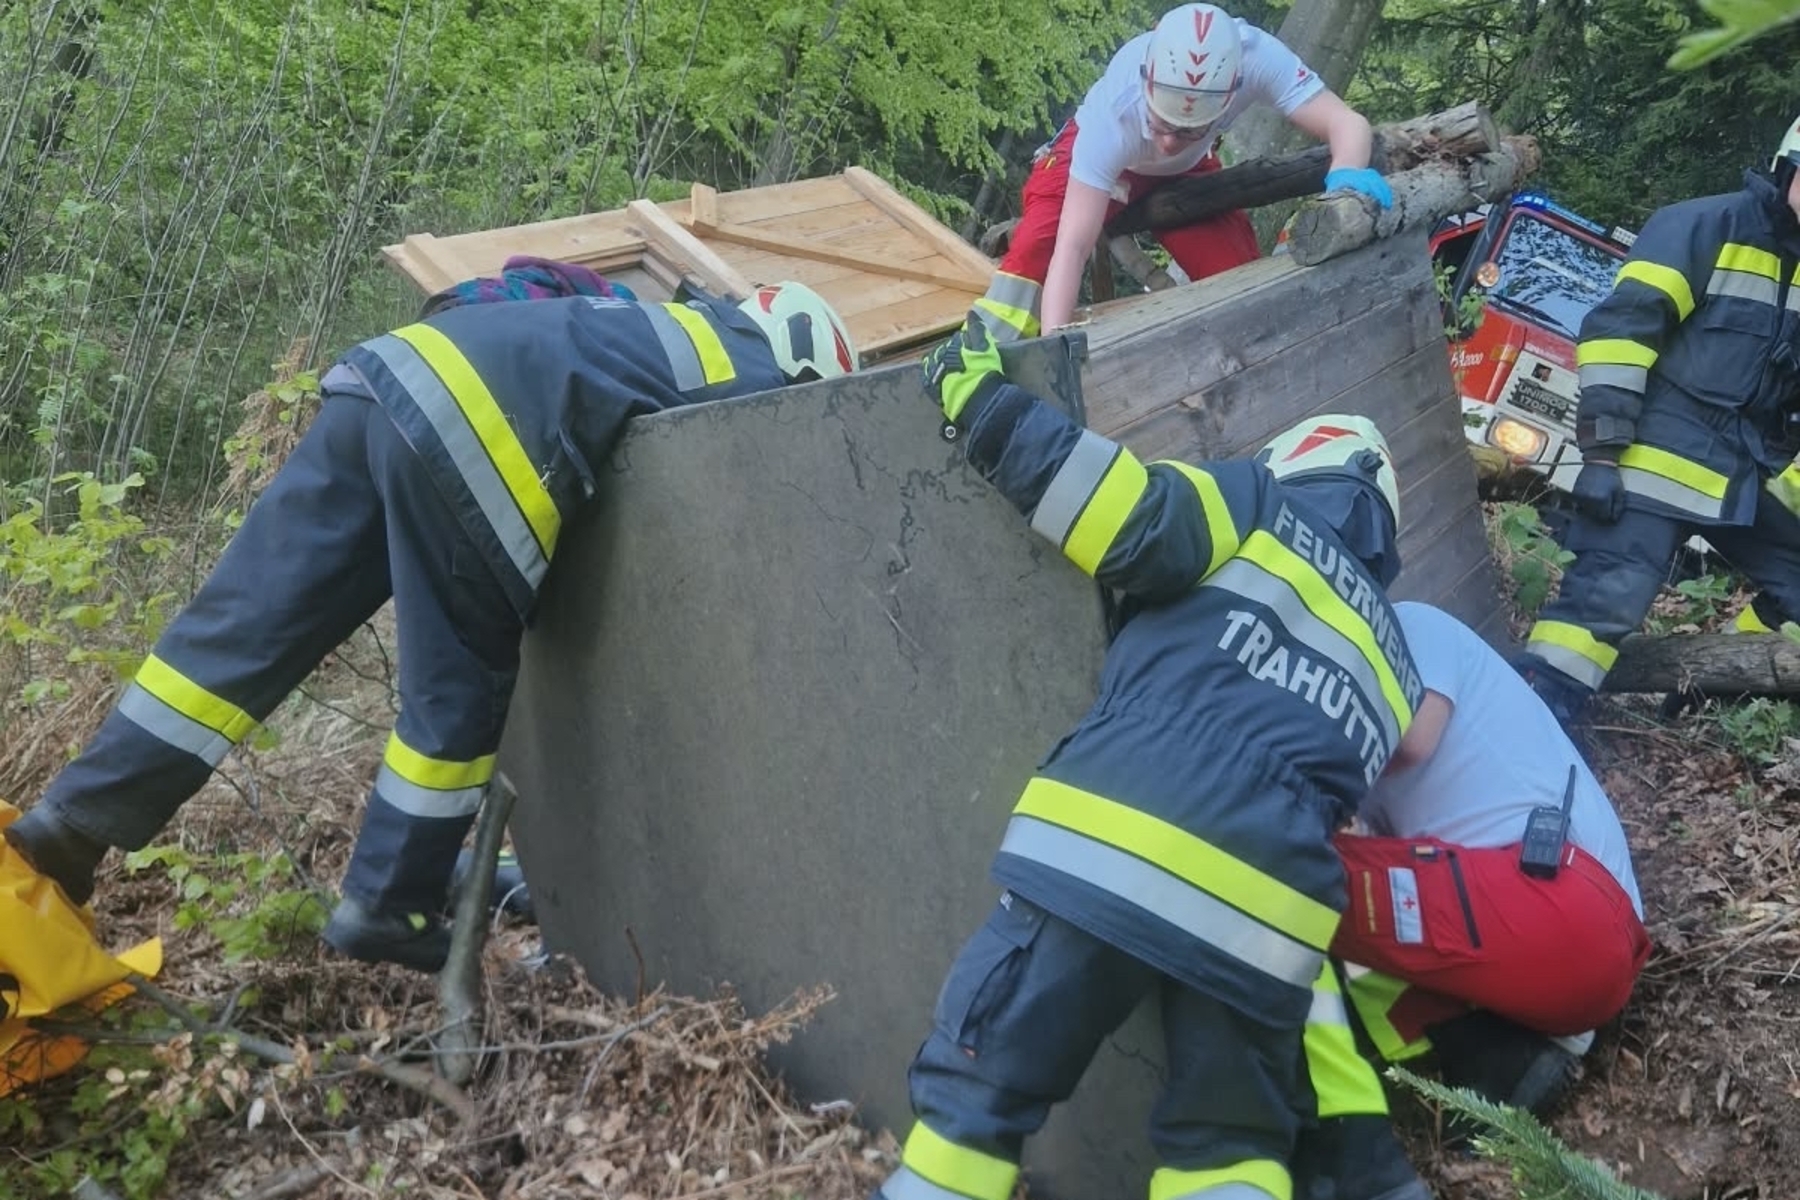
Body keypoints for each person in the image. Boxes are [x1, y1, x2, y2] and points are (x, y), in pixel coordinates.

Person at [3, 281, 858, 973]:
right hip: (475, 431)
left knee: (239, 632)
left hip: (380, 379)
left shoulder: (638, 321)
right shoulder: (746, 363)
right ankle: (389, 902)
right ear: (807, 354)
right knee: (456, 694)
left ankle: (74, 823)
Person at [874, 312, 1428, 1200]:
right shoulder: (1400, 662)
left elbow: (1123, 519)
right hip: (1269, 921)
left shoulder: (1258, 507)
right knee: (1232, 1144)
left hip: (1112, 847)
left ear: (1295, 469)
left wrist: (976, 399)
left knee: (977, 1094)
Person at [1297, 601, 1650, 1195]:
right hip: (1557, 935)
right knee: (1348, 894)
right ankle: (1488, 1059)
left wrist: (1278, 761)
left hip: (1564, 905)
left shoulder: (1411, 624)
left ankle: (1317, 1116)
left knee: (1282, 859)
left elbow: (1413, 737)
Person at [1518, 115, 1800, 720]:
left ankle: (1712, 692)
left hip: (1738, 479)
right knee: (1602, 608)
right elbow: (1621, 333)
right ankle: (1533, 718)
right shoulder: (1705, 225)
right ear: (1787, 169)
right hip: (1649, 461)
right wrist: (1600, 454)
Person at [973, 2, 1393, 343]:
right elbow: (1073, 246)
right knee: (1034, 250)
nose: (1170, 141)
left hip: (1187, 171)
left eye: (1189, 128)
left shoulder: (1257, 58)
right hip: (1088, 159)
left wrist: (1343, 188)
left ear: (1231, 92)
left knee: (1235, 274)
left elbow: (1347, 124)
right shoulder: (1112, 115)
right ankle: (986, 351)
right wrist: (1057, 350)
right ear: (1146, 82)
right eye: (1161, 123)